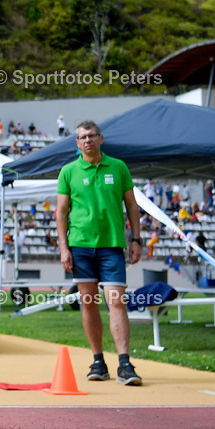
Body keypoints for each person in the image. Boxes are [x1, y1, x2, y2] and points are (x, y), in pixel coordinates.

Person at [56, 120, 143, 386]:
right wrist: (63, 247)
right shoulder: (68, 171)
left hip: (112, 245)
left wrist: (136, 239)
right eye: (83, 137)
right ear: (77, 143)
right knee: (89, 302)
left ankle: (125, 363)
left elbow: (132, 206)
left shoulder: (118, 167)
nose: (88, 140)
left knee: (116, 301)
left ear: (101, 138)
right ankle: (98, 361)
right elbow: (60, 211)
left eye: (92, 135)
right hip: (80, 246)